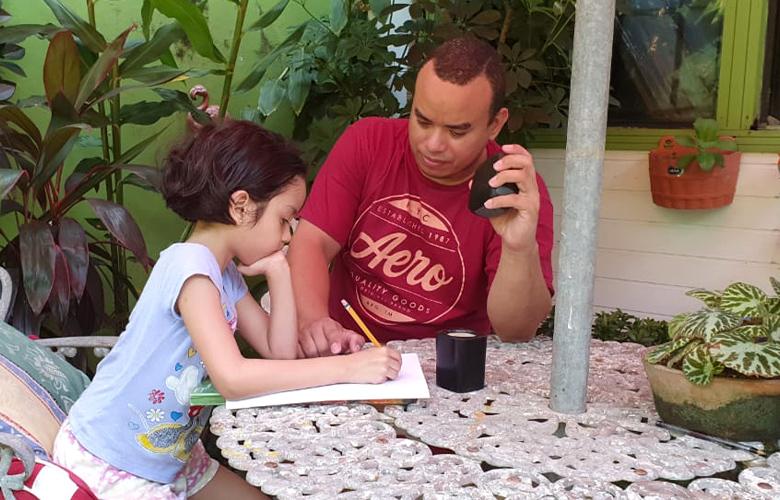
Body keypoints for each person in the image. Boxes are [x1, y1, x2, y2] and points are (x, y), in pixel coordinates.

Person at [52, 120, 402, 499]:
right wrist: (347, 369)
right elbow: (232, 378)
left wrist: (279, 269)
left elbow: (279, 352)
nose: (289, 234)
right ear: (241, 206)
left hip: (171, 457)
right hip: (112, 460)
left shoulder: (223, 273)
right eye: (285, 219)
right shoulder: (192, 268)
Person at [288, 36, 555, 357]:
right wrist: (316, 321)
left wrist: (518, 247)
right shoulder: (369, 143)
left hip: (448, 366)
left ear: (495, 124)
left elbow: (516, 331)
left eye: (457, 131)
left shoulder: (512, 190)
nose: (433, 144)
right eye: (422, 120)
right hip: (346, 351)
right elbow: (311, 243)